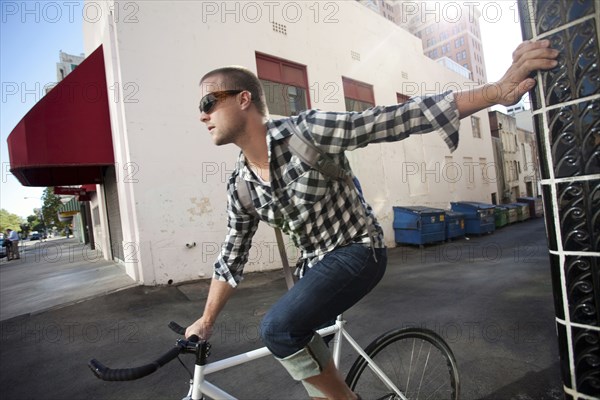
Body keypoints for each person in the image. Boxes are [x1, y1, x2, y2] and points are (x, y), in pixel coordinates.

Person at [186, 40, 559, 399]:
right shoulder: (241, 186)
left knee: (278, 328)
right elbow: (231, 256)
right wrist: (206, 321)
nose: (202, 114)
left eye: (208, 102)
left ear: (243, 98)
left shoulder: (307, 132)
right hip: (314, 269)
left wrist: (495, 92)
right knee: (303, 356)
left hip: (359, 250)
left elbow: (393, 119)